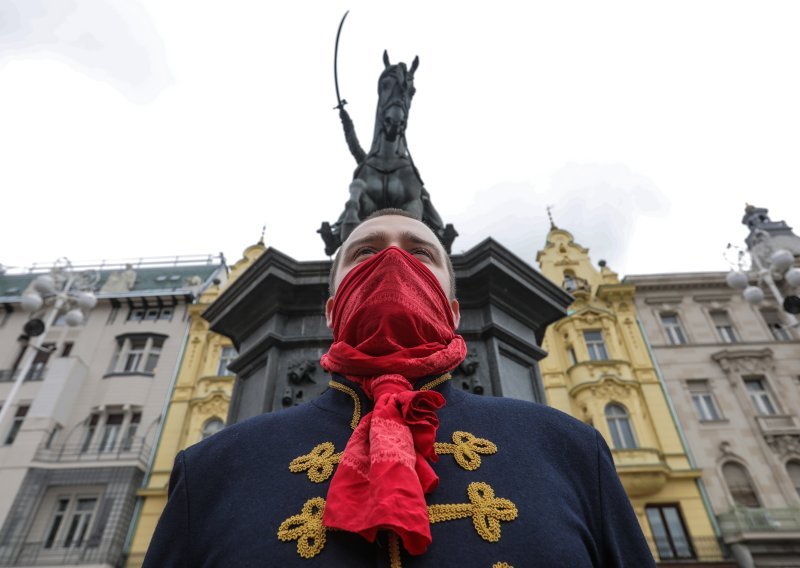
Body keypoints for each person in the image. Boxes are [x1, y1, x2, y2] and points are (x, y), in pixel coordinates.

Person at [142, 210, 656, 567]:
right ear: (331, 309)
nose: (392, 260)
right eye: (364, 252)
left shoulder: (568, 450)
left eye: (421, 253)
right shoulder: (213, 469)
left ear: (453, 311)